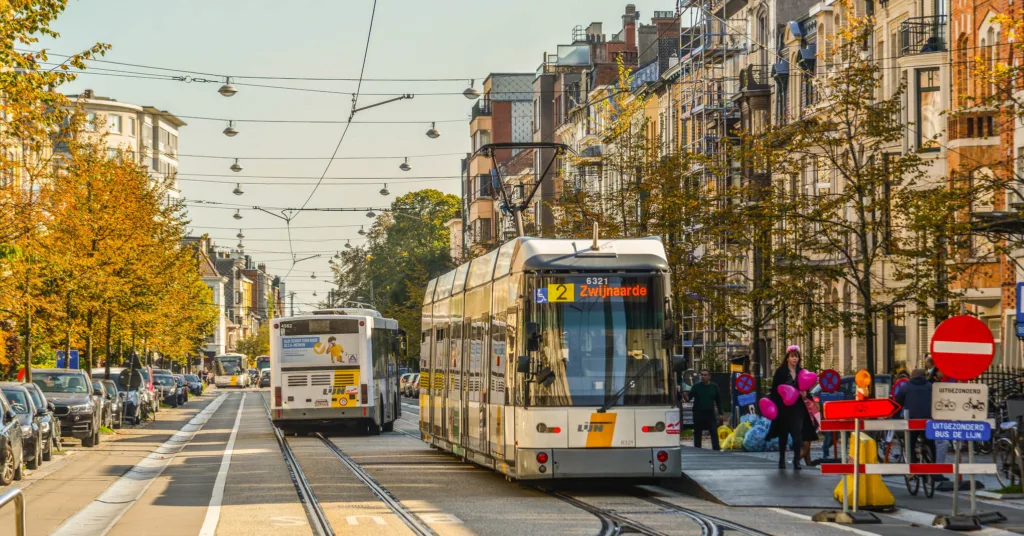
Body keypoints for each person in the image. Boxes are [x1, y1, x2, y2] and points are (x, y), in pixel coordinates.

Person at [766, 346, 818, 470]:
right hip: (783, 408)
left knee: (797, 434)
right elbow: (774, 390)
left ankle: (796, 461)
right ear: (787, 358)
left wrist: (805, 393)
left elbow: (806, 388)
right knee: (783, 434)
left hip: (798, 408)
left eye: (797, 357)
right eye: (792, 356)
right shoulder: (780, 372)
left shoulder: (802, 372)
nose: (795, 359)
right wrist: (774, 406)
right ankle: (782, 459)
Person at [895, 368, 935, 463]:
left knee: (910, 443)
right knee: (931, 443)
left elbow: (897, 405)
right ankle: (933, 465)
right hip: (928, 421)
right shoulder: (931, 387)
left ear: (911, 377)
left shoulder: (905, 388)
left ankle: (913, 464)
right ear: (924, 376)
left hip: (912, 420)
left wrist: (895, 418)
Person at [683, 369, 722, 451]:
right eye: (701, 375)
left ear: (709, 376)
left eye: (705, 375)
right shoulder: (696, 386)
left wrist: (720, 413)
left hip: (710, 414)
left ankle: (716, 450)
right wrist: (684, 395)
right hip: (698, 414)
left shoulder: (714, 387)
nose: (703, 376)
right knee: (697, 432)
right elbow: (688, 399)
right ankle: (697, 449)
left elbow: (718, 401)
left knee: (714, 432)